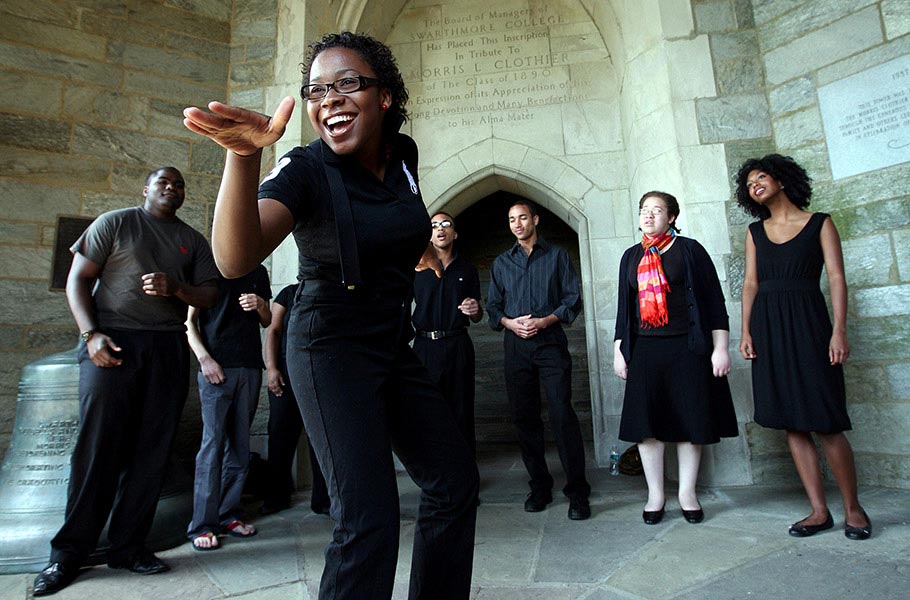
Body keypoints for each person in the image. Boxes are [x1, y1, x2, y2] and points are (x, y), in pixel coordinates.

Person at [183, 31, 478, 599]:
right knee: (368, 520)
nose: (330, 100)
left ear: (384, 96)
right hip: (328, 344)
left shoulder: (404, 156)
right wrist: (244, 157)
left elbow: (401, 230)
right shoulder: (306, 169)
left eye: (347, 84)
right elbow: (233, 256)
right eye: (317, 90)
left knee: (454, 484)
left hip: (390, 339)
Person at [33, 167, 219, 597]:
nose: (171, 188)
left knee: (152, 452)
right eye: (163, 182)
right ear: (146, 189)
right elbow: (77, 280)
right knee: (99, 449)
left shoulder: (192, 239)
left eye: (178, 184)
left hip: (167, 347)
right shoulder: (116, 223)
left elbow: (209, 294)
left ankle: (128, 547)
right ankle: (68, 555)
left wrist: (177, 289)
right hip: (113, 342)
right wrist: (90, 335)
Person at [736, 154, 871, 540]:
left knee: (826, 420)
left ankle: (853, 508)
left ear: (781, 179)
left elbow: (838, 278)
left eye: (761, 177)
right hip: (768, 327)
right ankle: (818, 510)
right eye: (748, 184)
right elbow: (750, 285)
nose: (754, 185)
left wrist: (839, 331)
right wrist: (746, 332)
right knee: (791, 422)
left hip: (811, 324)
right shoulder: (755, 231)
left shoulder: (820, 223)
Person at [613, 191, 738, 525]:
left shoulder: (690, 250)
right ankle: (655, 494)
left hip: (688, 347)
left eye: (657, 210)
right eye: (644, 210)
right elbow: (624, 309)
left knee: (688, 422)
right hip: (644, 349)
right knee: (647, 427)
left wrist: (721, 348)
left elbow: (714, 303)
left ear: (672, 217)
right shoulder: (630, 256)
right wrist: (619, 351)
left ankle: (687, 493)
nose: (649, 215)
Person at [486, 201, 591, 520]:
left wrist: (545, 321)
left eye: (522, 218)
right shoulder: (502, 263)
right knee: (524, 417)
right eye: (511, 219)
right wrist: (509, 323)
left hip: (550, 345)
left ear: (535, 220)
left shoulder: (557, 256)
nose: (517, 224)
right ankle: (540, 487)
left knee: (562, 414)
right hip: (515, 346)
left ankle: (577, 493)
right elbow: (493, 307)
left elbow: (572, 301)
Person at [185, 264, 272, 550]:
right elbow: (189, 323)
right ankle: (202, 524)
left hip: (249, 367)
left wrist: (260, 305)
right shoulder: (206, 270)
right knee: (212, 445)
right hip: (215, 367)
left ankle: (229, 515)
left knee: (240, 445)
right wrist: (204, 359)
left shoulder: (258, 272)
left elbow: (266, 319)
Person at [412, 211, 483, 458]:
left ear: (455, 233)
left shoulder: (468, 269)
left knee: (461, 410)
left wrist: (475, 310)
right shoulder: (416, 270)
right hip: (424, 347)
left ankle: (466, 475)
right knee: (428, 412)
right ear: (429, 235)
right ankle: (438, 478)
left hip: (457, 345)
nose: (440, 229)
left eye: (446, 224)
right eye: (434, 225)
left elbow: (478, 313)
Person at [260, 282, 330, 516]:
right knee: (280, 434)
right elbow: (273, 330)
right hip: (286, 375)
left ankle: (324, 500)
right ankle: (276, 497)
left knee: (321, 438)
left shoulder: (329, 291)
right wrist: (271, 368)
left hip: (318, 374)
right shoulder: (289, 293)